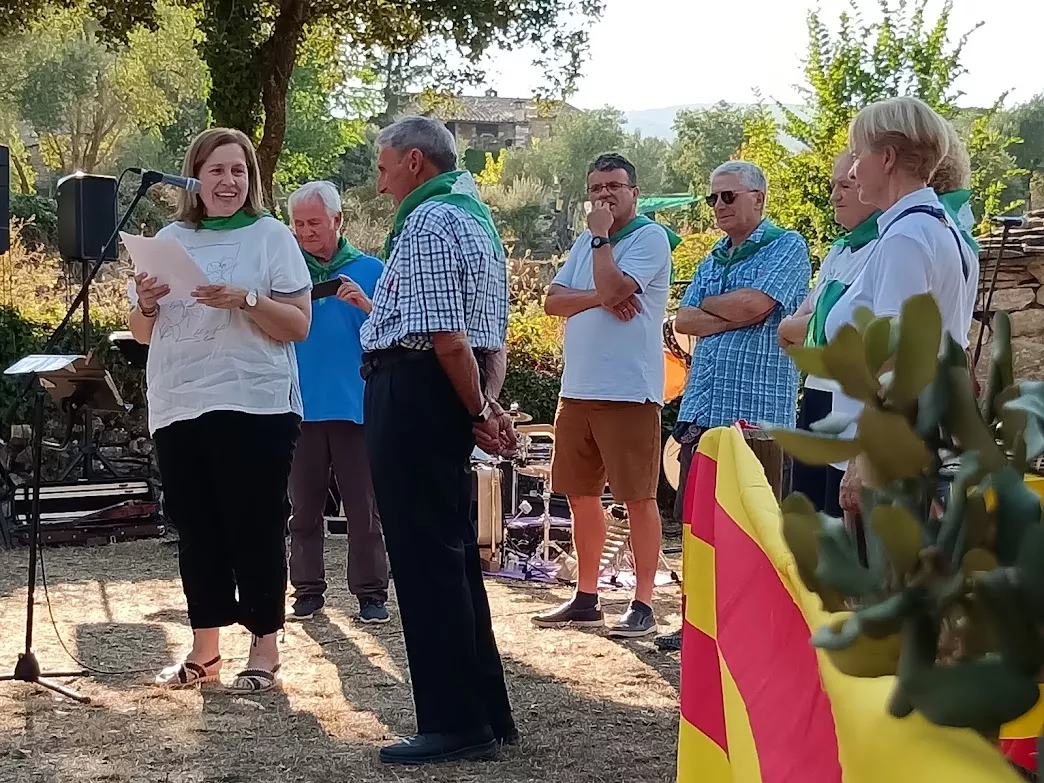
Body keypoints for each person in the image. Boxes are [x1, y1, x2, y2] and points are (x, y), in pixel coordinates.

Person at [343, 116, 517, 765]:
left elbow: (446, 337)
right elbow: (489, 339)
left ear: (415, 162)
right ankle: (486, 711)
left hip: (411, 390)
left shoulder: (428, 221)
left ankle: (453, 723)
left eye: (384, 165)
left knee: (423, 562)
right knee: (453, 555)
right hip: (442, 393)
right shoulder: (477, 220)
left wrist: (479, 408)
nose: (380, 180)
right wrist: (484, 406)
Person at [130, 127, 312, 692]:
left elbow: (299, 325)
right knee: (197, 529)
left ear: (251, 179)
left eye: (238, 170)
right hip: (180, 401)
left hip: (255, 402)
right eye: (216, 170)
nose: (228, 181)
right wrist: (145, 304)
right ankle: (204, 652)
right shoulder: (169, 239)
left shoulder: (271, 236)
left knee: (254, 525)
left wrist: (247, 299)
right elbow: (142, 334)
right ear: (195, 178)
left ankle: (264, 649)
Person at [656, 161, 811, 652]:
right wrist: (737, 312)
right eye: (713, 198)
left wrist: (727, 309)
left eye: (728, 196)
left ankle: (751, 630)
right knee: (699, 525)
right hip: (704, 411)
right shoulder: (714, 256)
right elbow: (684, 320)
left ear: (758, 198)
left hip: (756, 417)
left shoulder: (787, 246)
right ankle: (699, 623)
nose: (719, 206)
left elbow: (756, 306)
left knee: (753, 528)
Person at [532, 153, 675, 638]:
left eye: (614, 185)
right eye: (596, 188)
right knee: (580, 496)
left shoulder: (649, 237)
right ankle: (587, 598)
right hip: (577, 390)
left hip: (628, 392)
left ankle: (642, 603)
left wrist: (600, 242)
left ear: (635, 192)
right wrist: (598, 296)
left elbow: (616, 288)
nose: (604, 195)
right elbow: (553, 302)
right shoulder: (585, 242)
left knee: (637, 498)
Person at [832, 96, 979, 514]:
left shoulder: (906, 238)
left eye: (858, 155)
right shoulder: (939, 228)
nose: (853, 170)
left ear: (888, 158)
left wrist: (862, 460)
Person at [285, 181, 390, 624]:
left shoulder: (373, 269)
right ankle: (307, 591)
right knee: (303, 511)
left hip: (357, 407)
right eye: (298, 224)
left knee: (364, 510)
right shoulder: (287, 272)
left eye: (314, 222)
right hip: (299, 409)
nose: (306, 232)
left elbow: (398, 332)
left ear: (338, 220)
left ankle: (371, 594)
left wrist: (368, 305)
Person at [777, 151, 880, 517]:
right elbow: (788, 329)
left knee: (840, 518)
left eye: (846, 185)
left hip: (851, 401)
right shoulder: (839, 251)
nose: (834, 195)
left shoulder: (885, 248)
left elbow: (842, 328)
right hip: (818, 393)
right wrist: (816, 326)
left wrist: (814, 326)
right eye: (832, 185)